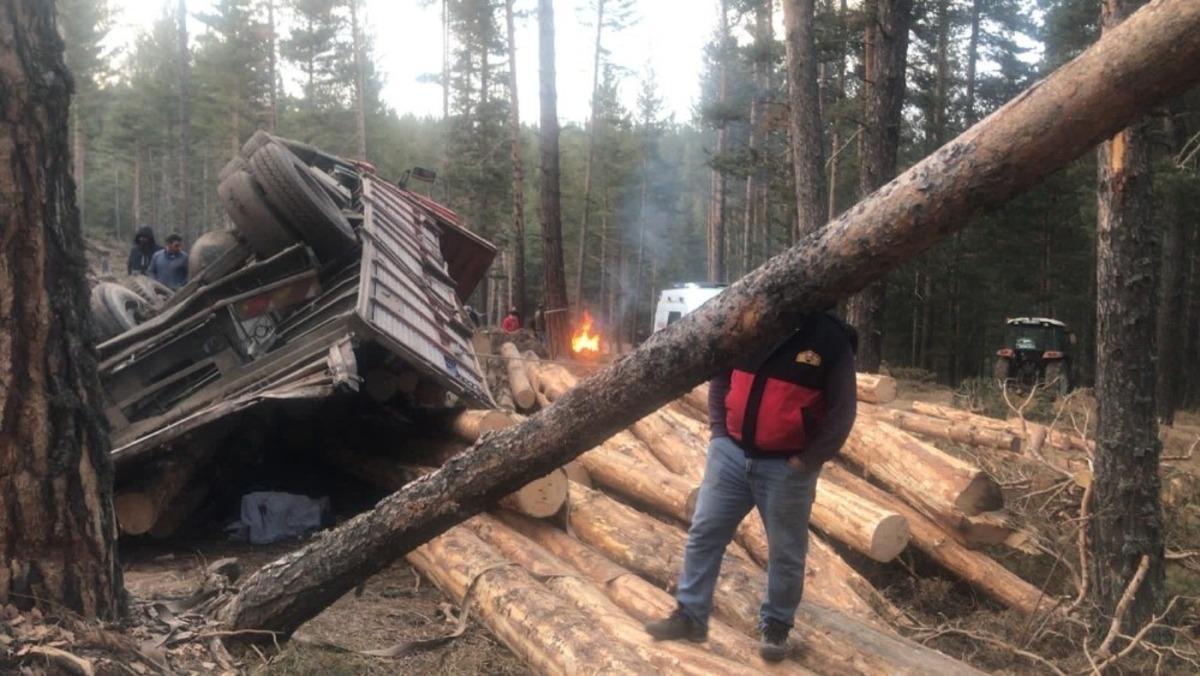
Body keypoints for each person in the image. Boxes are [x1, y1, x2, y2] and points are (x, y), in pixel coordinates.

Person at [643, 310, 858, 662]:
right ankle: (690, 615)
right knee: (704, 532)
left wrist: (807, 460)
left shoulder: (829, 338)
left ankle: (776, 625)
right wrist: (718, 434)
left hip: (787, 467)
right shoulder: (754, 318)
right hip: (731, 455)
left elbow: (842, 412)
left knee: (785, 553)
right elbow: (721, 377)